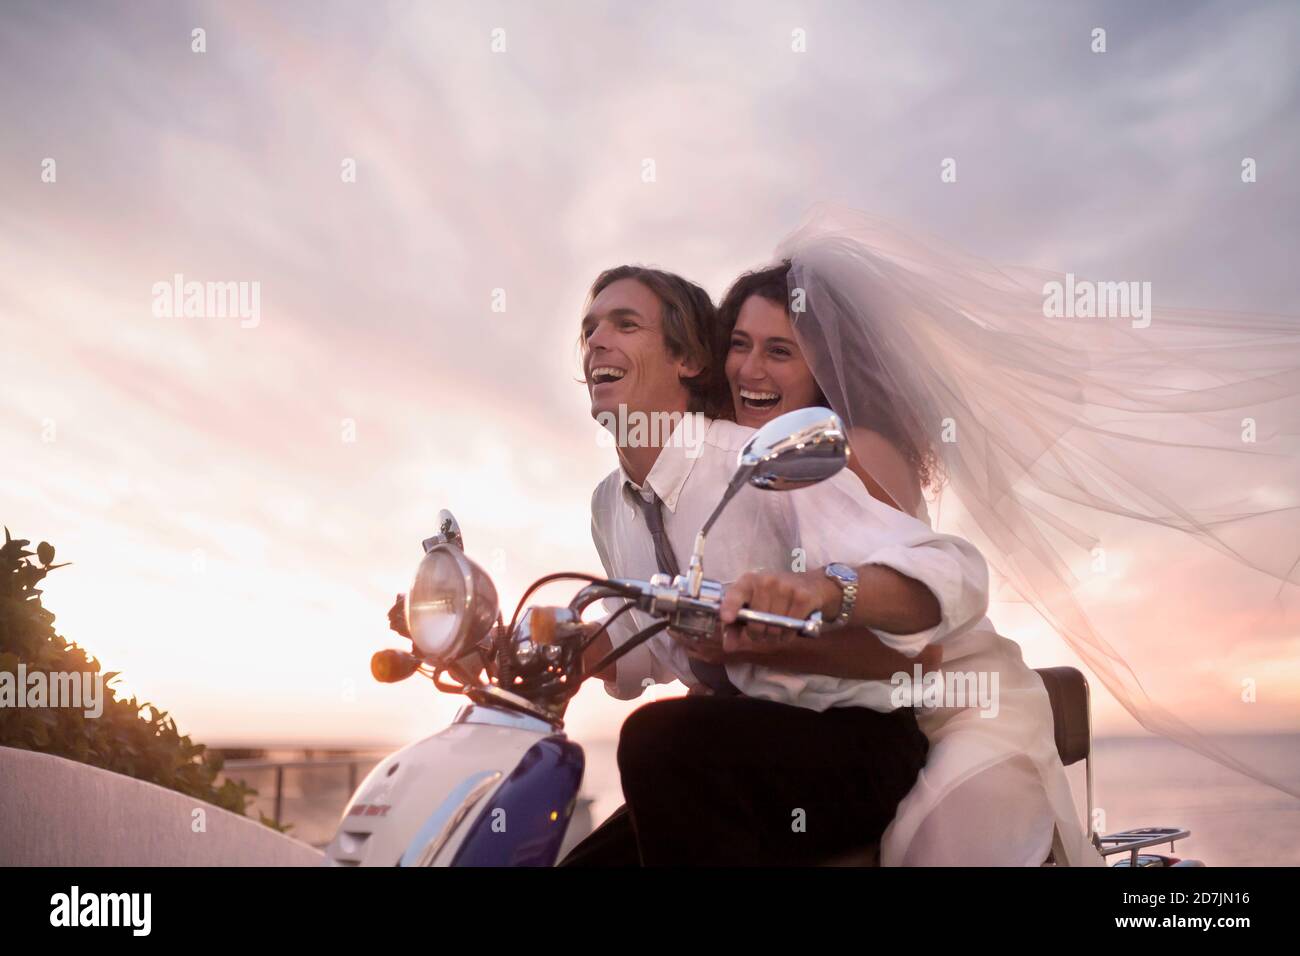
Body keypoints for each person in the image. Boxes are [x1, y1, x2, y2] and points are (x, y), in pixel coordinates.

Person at [560, 264, 992, 866]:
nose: (597, 341)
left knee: (657, 741)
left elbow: (951, 571)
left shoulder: (761, 461)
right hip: (730, 743)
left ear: (687, 359)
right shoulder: (609, 501)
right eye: (591, 329)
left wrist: (822, 589)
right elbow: (643, 648)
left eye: (625, 324)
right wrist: (554, 644)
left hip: (852, 741)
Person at [718, 260, 1099, 866]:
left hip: (954, 704)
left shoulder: (852, 451)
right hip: (870, 709)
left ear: (823, 372)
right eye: (739, 345)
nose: (750, 369)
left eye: (779, 352)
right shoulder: (762, 460)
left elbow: (912, 611)